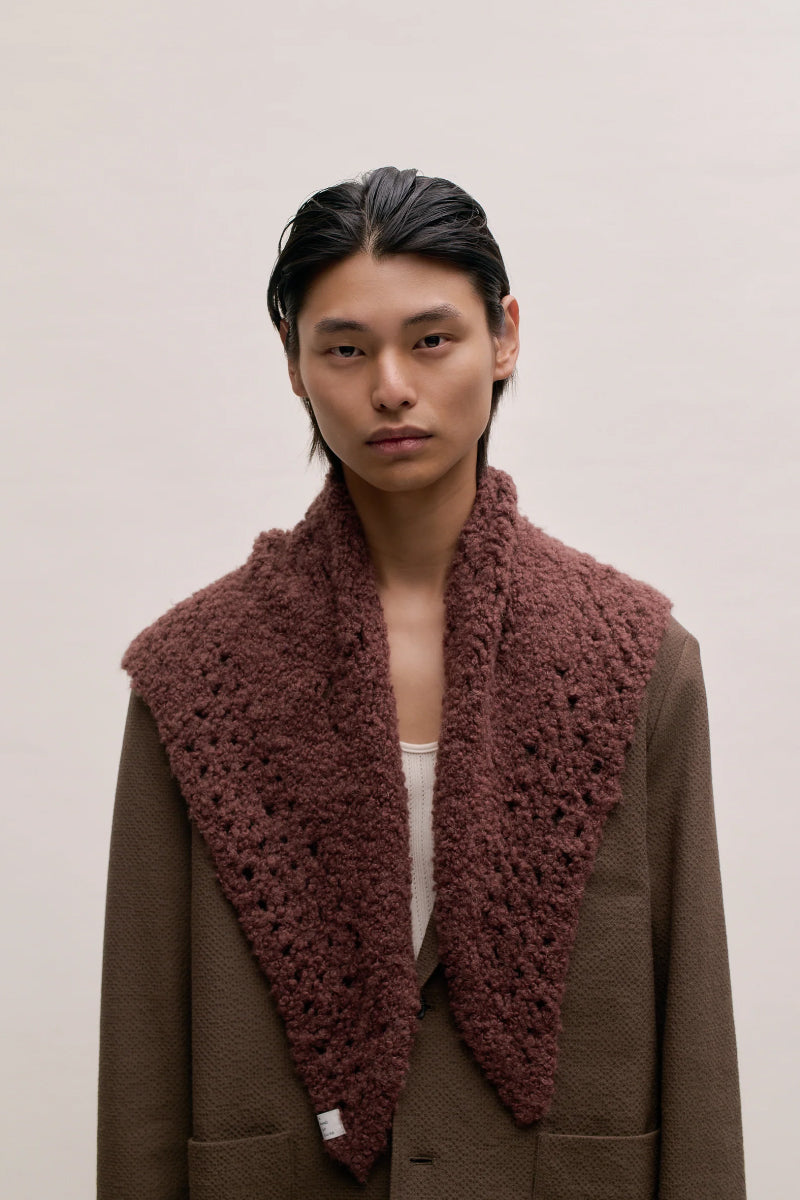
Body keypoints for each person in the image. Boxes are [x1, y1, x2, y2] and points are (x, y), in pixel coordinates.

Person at [97, 165, 747, 1199]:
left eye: (431, 339)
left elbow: (696, 1035)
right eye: (345, 349)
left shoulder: (635, 663)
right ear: (294, 364)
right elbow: (143, 1062)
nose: (391, 386)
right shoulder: (196, 678)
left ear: (504, 337)